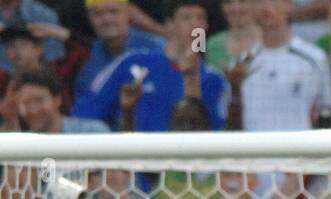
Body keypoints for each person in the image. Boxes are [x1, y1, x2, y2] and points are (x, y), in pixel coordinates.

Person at [72, 0, 228, 131]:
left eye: (200, 18)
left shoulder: (214, 78)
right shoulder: (133, 62)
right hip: (139, 163)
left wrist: (192, 75)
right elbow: (86, 113)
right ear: (170, 24)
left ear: (206, 26)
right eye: (186, 18)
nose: (195, 25)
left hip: (190, 164)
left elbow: (217, 132)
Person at [229, 0, 331, 131]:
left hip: (300, 148)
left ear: (288, 5)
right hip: (255, 149)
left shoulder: (314, 58)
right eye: (258, 2)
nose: (265, 7)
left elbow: (327, 111)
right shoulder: (241, 64)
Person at [75, 0, 163, 101]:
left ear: (128, 13)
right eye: (98, 14)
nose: (107, 20)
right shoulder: (87, 59)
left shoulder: (157, 49)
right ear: (89, 18)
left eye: (114, 11)